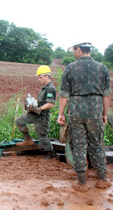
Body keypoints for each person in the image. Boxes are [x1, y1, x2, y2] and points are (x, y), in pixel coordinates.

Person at [57, 41, 112, 191]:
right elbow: (107, 95)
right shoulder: (102, 68)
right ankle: (102, 179)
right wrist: (104, 114)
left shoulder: (70, 68)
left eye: (74, 50)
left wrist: (61, 114)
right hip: (95, 111)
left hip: (76, 111)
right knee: (97, 144)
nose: (74, 53)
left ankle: (82, 182)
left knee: (79, 145)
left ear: (78, 49)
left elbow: (64, 95)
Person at [15, 65, 56, 159]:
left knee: (42, 136)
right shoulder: (44, 87)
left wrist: (39, 109)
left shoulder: (50, 88)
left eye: (40, 77)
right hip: (35, 113)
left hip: (42, 116)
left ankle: (50, 153)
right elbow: (42, 102)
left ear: (47, 76)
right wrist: (33, 104)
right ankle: (28, 139)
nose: (39, 79)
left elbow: (50, 104)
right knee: (19, 121)